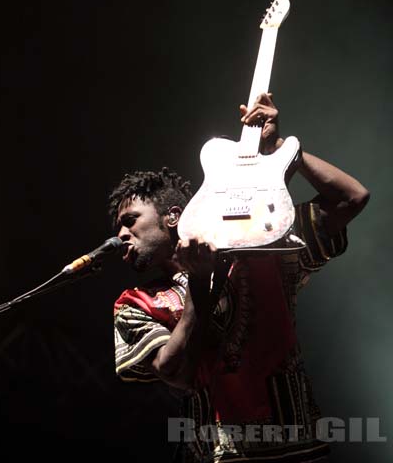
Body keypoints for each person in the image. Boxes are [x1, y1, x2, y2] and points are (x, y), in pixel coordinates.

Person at [109, 92, 369, 463]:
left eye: (129, 220)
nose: (120, 234)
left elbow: (351, 199)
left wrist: (280, 149)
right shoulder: (135, 303)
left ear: (172, 216)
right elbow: (176, 372)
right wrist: (199, 285)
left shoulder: (260, 251)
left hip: (297, 449)